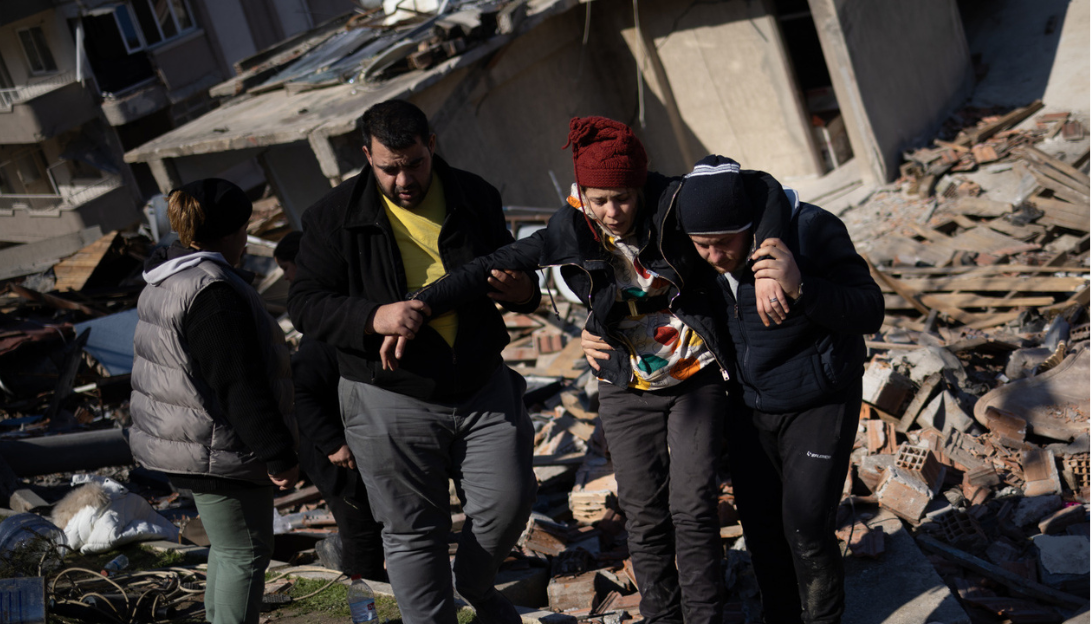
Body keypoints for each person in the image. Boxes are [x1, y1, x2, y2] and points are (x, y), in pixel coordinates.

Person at [401, 118, 759, 623]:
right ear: (582, 194)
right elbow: (486, 266)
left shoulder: (676, 202)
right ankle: (664, 617)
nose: (612, 212)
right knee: (644, 512)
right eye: (599, 199)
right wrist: (418, 305)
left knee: (693, 504)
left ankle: (706, 617)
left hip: (694, 376)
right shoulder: (570, 225)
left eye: (624, 198)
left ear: (641, 187)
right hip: (623, 381)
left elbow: (762, 189)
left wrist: (779, 252)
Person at [286, 99, 539, 624]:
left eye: (414, 163)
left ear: (432, 145)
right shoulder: (332, 218)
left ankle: (472, 583)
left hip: (480, 385)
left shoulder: (475, 195)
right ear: (367, 156)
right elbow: (304, 303)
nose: (404, 180)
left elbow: (515, 274)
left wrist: (519, 291)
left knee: (509, 501)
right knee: (412, 533)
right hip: (388, 398)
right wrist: (373, 316)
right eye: (389, 168)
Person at [675, 155, 885, 623]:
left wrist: (802, 285)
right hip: (750, 407)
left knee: (807, 527)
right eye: (701, 246)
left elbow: (870, 308)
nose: (713, 256)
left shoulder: (811, 230)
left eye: (723, 243)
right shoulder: (696, 256)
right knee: (763, 529)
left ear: (749, 225)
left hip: (820, 400)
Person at [129, 178, 299, 624]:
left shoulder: (167, 278)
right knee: (246, 551)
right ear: (227, 232)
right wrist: (278, 452)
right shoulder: (213, 291)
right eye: (243, 229)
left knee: (229, 550)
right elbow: (237, 382)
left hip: (188, 441)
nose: (246, 239)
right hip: (217, 444)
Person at [274, 231, 386, 581]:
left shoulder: (338, 321)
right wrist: (333, 443)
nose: (287, 277)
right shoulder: (320, 338)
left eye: (287, 268)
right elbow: (301, 393)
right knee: (359, 526)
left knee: (372, 521)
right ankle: (363, 589)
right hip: (333, 453)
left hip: (353, 443)